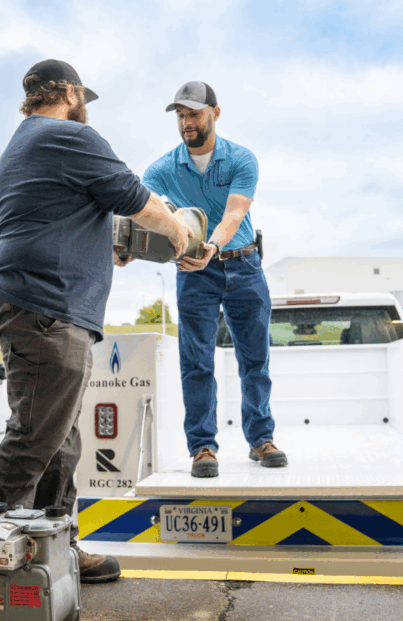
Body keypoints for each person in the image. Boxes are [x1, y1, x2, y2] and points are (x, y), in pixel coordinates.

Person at [0, 59, 192, 583]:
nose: (86, 110)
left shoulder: (22, 144)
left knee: (59, 439)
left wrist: (108, 245)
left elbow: (53, 216)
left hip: (33, 304)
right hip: (46, 308)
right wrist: (177, 233)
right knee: (34, 437)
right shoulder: (68, 136)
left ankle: (55, 548)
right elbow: (133, 195)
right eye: (84, 99)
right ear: (70, 92)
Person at [142, 81, 286, 478]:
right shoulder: (161, 170)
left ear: (215, 113)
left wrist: (214, 247)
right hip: (194, 275)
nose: (187, 122)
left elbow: (234, 214)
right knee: (197, 361)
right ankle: (203, 447)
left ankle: (261, 439)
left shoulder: (241, 159)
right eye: (181, 115)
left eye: (194, 113)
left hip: (244, 265)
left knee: (255, 358)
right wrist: (122, 247)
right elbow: (140, 212)